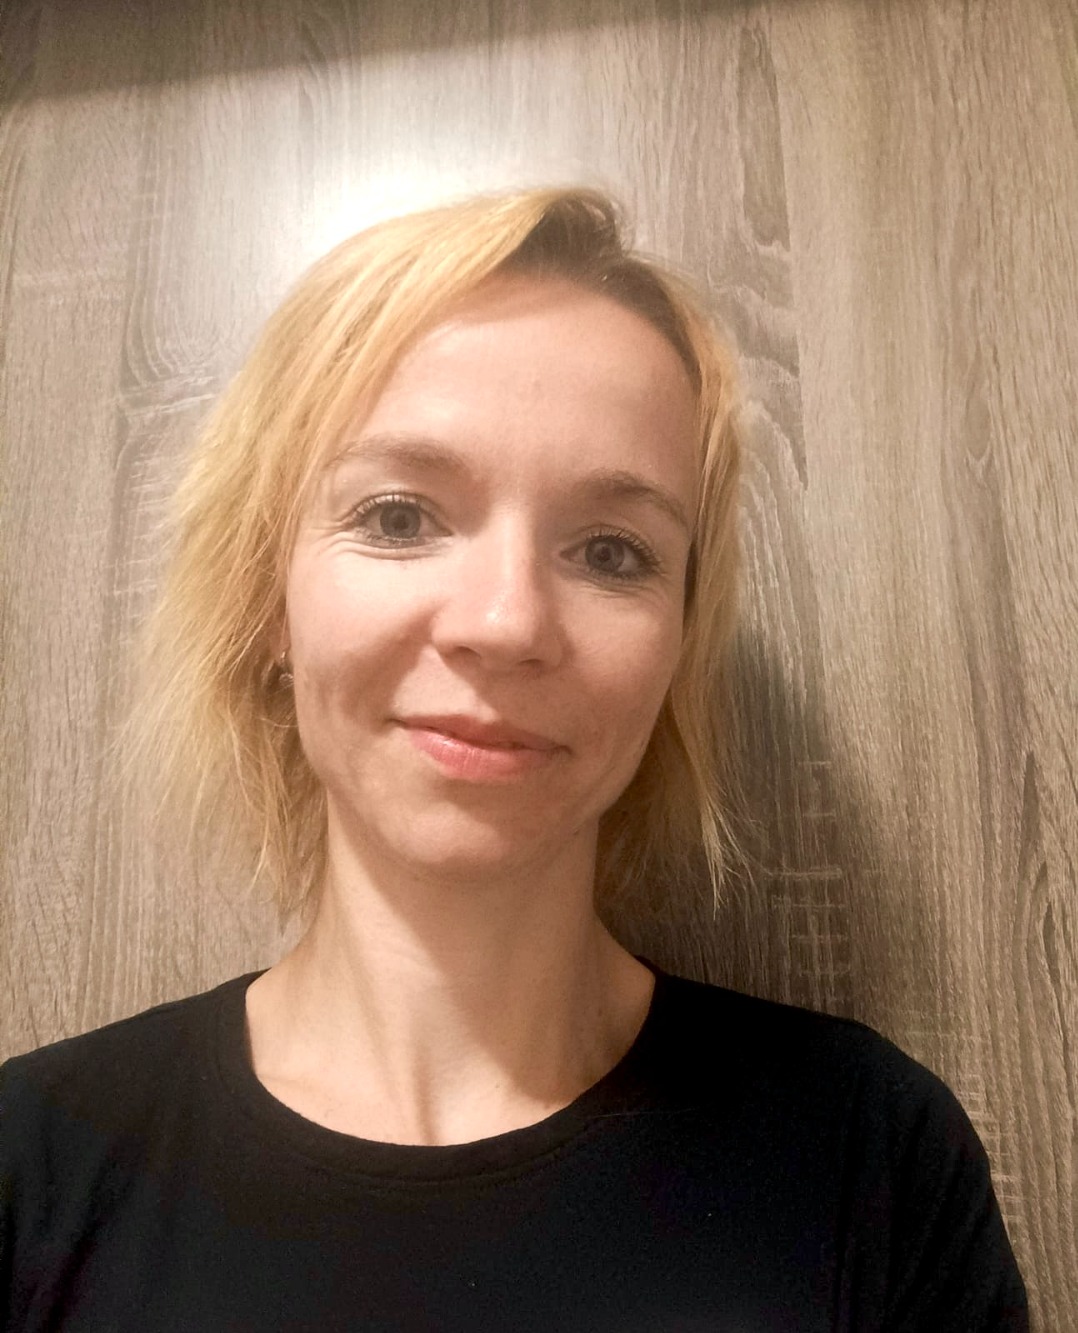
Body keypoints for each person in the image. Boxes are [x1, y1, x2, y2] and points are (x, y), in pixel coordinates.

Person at [0, 187, 1027, 1330]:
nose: (506, 621)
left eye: (611, 551)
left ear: (675, 644)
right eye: (398, 517)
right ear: (268, 599)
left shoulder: (871, 1155)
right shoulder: (32, 1168)